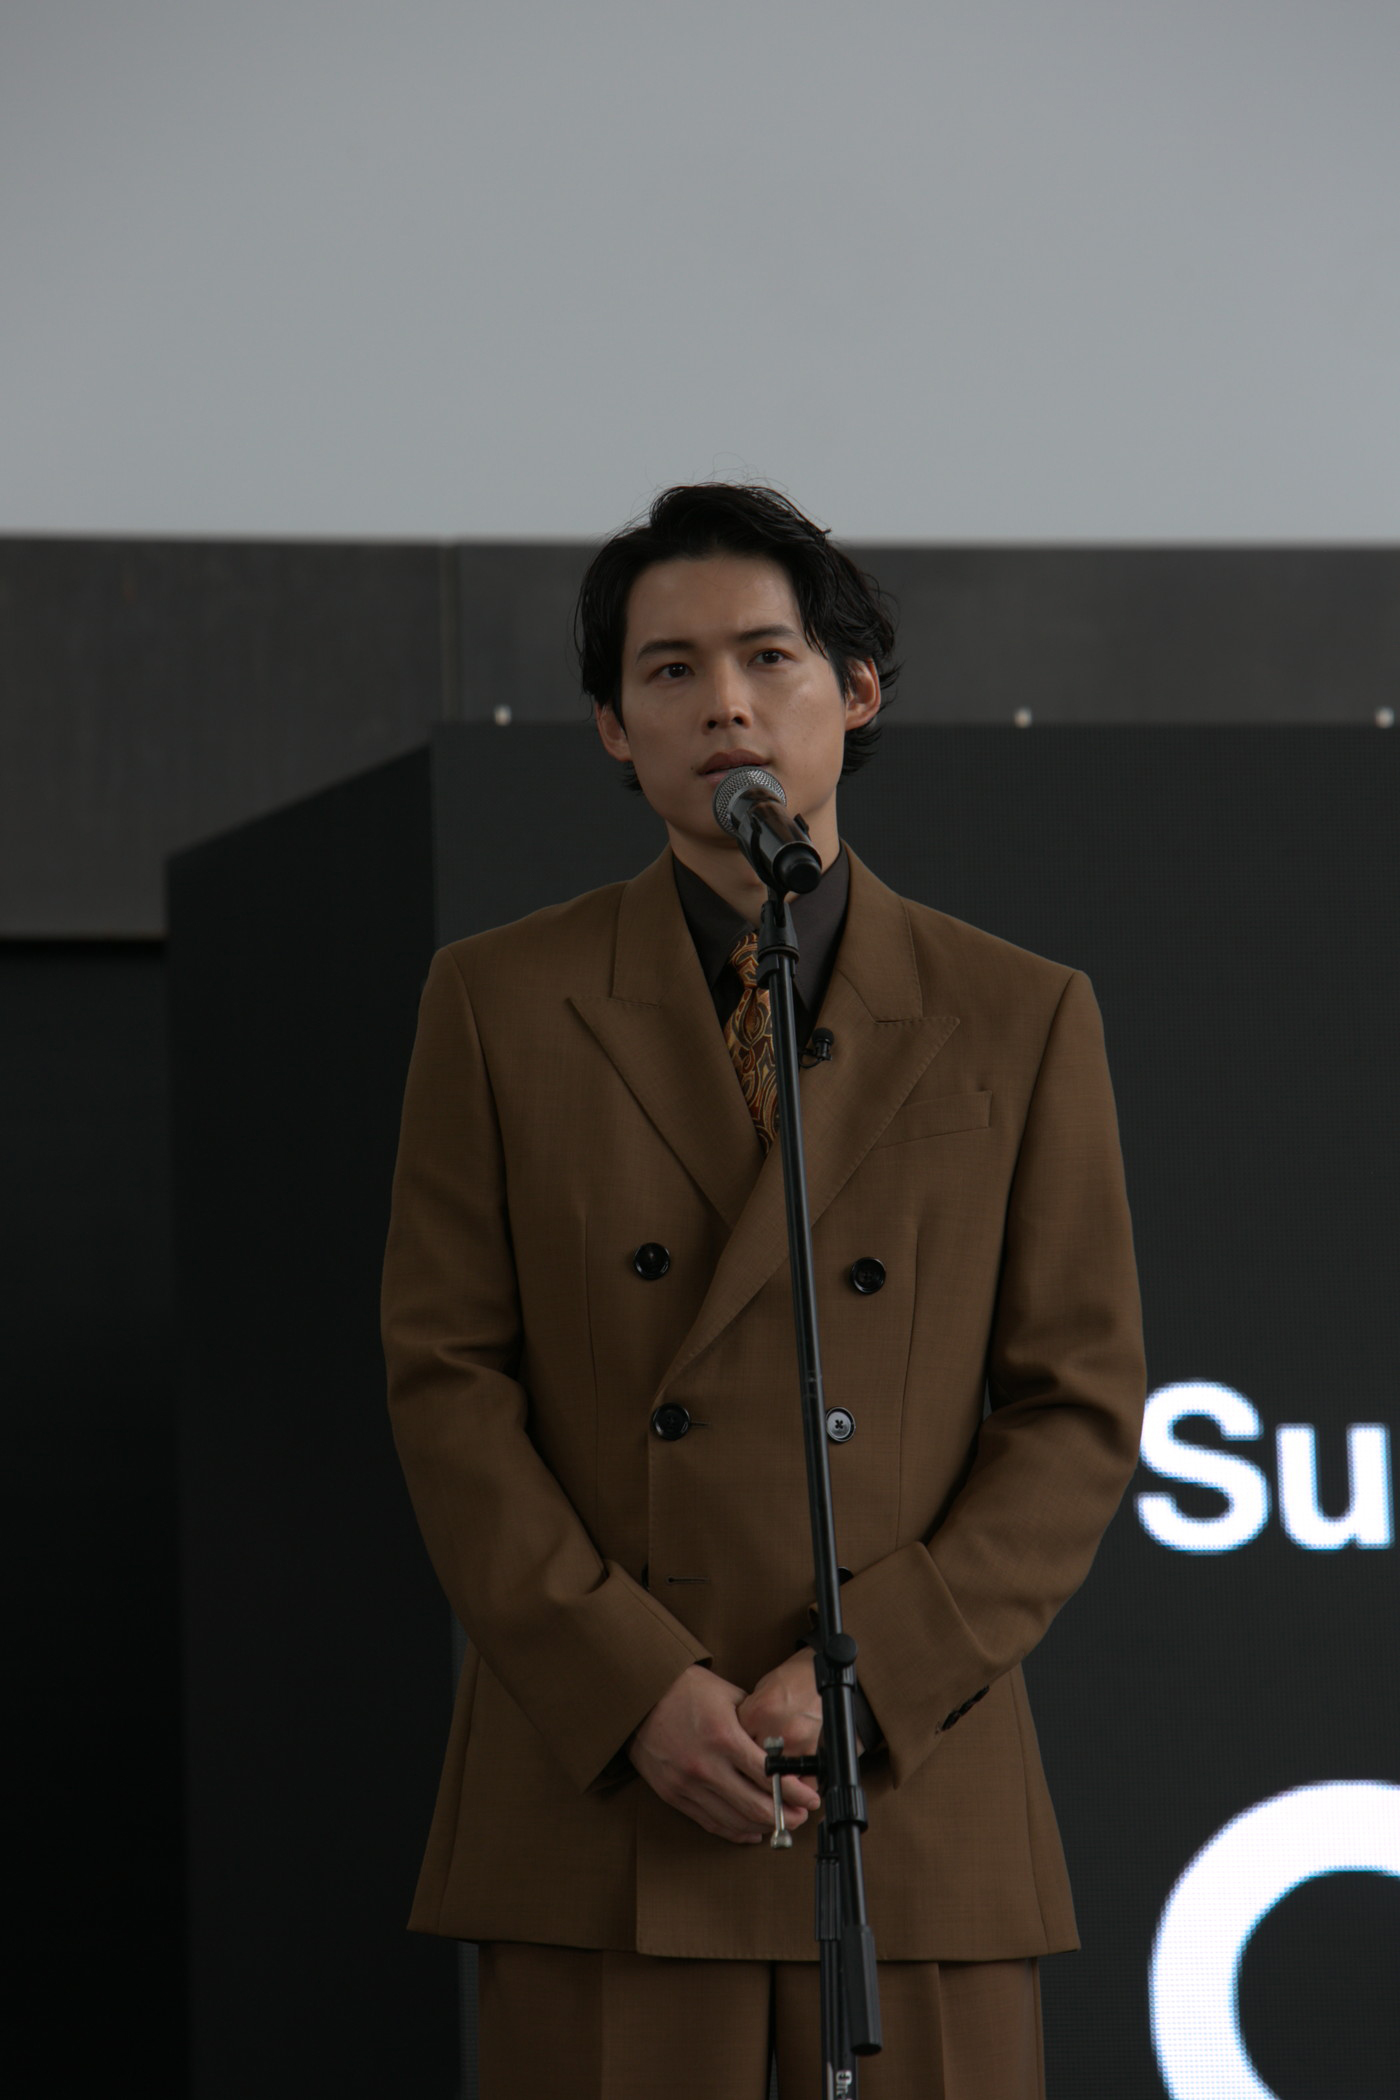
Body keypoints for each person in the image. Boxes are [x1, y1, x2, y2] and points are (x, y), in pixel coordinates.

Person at [381, 483, 1146, 2098]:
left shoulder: (1018, 1015)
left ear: (854, 692)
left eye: (766, 657)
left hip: (909, 1794)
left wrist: (872, 1679)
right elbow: (447, 1383)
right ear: (613, 727)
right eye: (668, 670)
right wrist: (634, 1689)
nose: (722, 702)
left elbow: (1078, 1408)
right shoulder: (499, 1002)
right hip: (603, 1794)